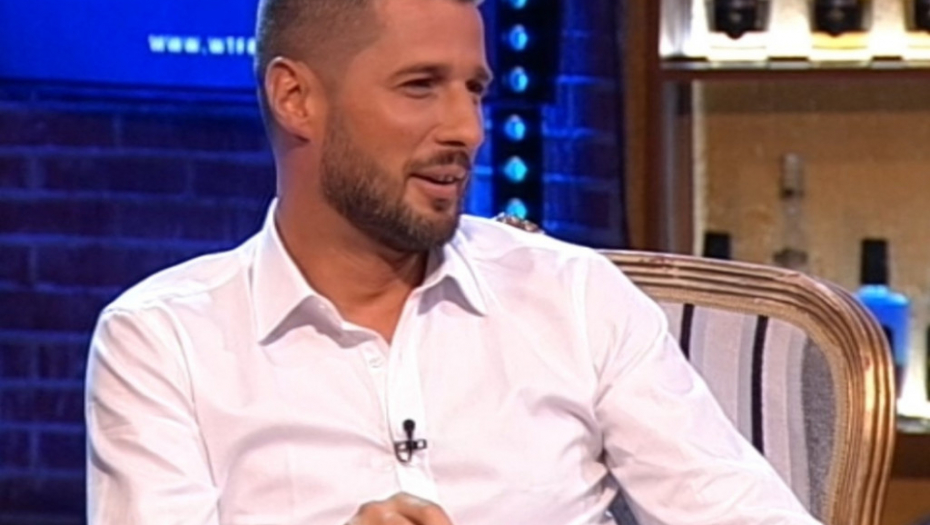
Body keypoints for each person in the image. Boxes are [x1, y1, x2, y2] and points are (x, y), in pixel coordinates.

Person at [85, 0, 823, 524]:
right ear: (296, 97)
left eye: (474, 90)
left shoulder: (573, 296)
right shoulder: (164, 341)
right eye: (420, 86)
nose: (466, 130)